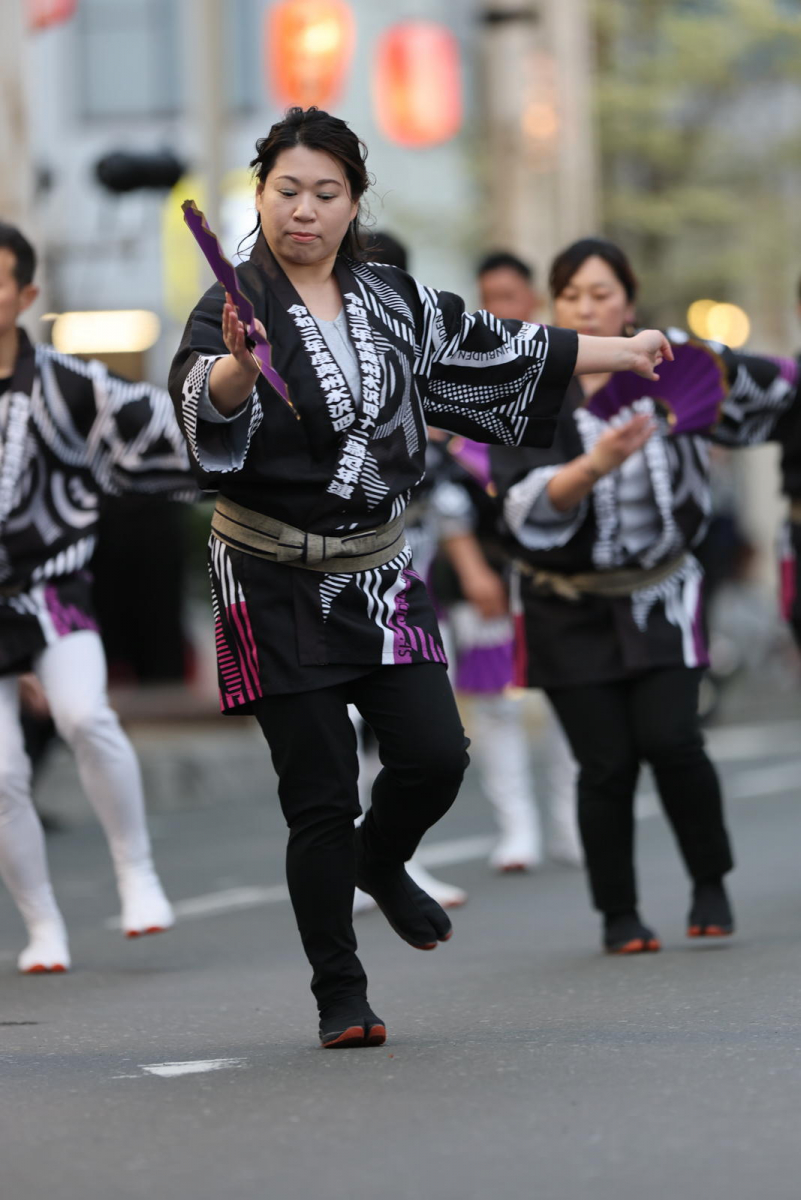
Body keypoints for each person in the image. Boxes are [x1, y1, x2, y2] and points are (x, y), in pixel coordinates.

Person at [168, 108, 670, 1048]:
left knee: (436, 755)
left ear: (353, 202)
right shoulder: (230, 304)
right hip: (268, 577)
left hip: (379, 572)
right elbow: (202, 407)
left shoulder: (395, 298)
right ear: (261, 195)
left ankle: (381, 857)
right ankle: (339, 993)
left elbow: (506, 345)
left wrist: (624, 349)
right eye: (287, 191)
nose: (305, 210)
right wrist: (238, 368)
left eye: (325, 193)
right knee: (316, 792)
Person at [490, 237, 799, 955]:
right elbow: (516, 508)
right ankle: (618, 913)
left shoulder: (680, 367)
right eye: (572, 295)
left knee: (671, 739)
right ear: (554, 305)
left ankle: (709, 881)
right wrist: (594, 463)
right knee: (604, 763)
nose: (588, 306)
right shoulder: (530, 386)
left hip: (662, 590)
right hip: (565, 602)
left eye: (603, 293)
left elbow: (776, 392)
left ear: (628, 302)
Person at [0, 223, 196, 973]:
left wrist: (250, 411)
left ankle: (136, 872)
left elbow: (167, 425)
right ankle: (42, 925)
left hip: (56, 586)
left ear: (26, 294)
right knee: (4, 774)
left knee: (85, 713)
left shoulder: (68, 383)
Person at [430, 252, 581, 871]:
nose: (498, 310)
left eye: (509, 297)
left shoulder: (563, 387)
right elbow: (438, 488)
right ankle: (516, 828)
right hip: (482, 574)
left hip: (558, 569)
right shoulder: (457, 386)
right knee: (494, 701)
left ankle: (574, 821)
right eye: (486, 298)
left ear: (533, 307)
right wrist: (470, 567)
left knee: (571, 696)